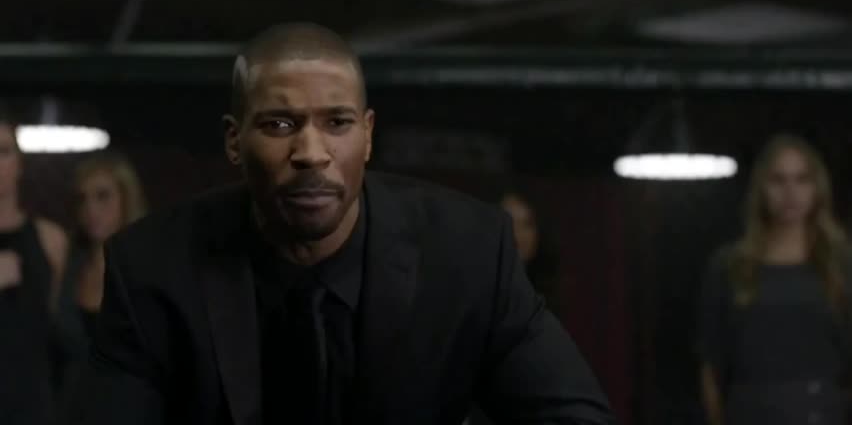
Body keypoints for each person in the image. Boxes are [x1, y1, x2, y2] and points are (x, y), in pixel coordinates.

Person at [74, 23, 614, 425]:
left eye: (337, 122)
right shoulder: (153, 269)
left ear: (368, 135)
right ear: (234, 141)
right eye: (279, 124)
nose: (311, 152)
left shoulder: (467, 252)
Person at [699, 135, 852, 425]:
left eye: (801, 179)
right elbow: (711, 362)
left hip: (824, 410)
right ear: (762, 188)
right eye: (778, 180)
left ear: (817, 187)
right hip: (748, 411)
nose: (790, 192)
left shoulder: (842, 264)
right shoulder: (730, 266)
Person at [53, 153, 146, 412]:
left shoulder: (148, 268)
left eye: (103, 196)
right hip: (70, 409)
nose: (91, 209)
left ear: (126, 198)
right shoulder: (68, 267)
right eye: (82, 199)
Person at [0, 110, 68, 425]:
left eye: (3, 151)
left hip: (34, 406)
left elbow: (61, 331)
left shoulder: (50, 239)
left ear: (19, 163)